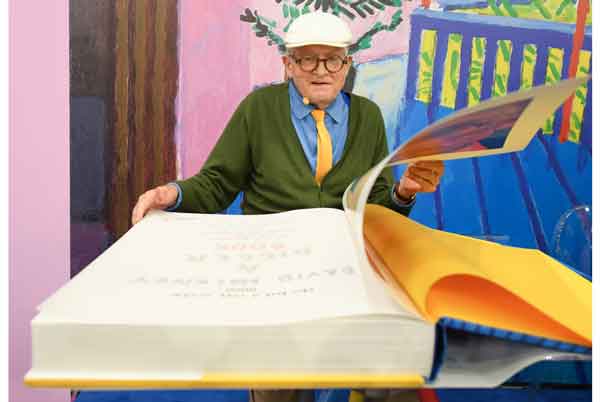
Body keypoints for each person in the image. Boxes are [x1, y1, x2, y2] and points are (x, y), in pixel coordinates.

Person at [131, 11, 444, 402]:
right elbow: (217, 184)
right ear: (289, 64)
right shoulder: (259, 109)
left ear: (347, 64)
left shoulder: (368, 117)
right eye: (308, 59)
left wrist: (404, 192)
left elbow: (376, 208)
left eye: (333, 59)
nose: (321, 70)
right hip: (272, 280)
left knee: (394, 382)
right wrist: (170, 194)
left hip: (344, 276)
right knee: (276, 388)